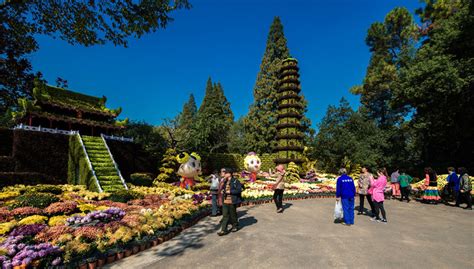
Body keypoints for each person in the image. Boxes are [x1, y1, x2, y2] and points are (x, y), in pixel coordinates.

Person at [217, 168, 243, 236]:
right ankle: (223, 230)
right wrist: (223, 190)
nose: (224, 174)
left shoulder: (235, 181)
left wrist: (230, 192)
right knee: (225, 215)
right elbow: (221, 188)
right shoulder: (224, 181)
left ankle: (235, 226)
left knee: (233, 214)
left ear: (229, 174)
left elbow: (239, 190)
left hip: (232, 200)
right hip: (225, 200)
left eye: (225, 173)